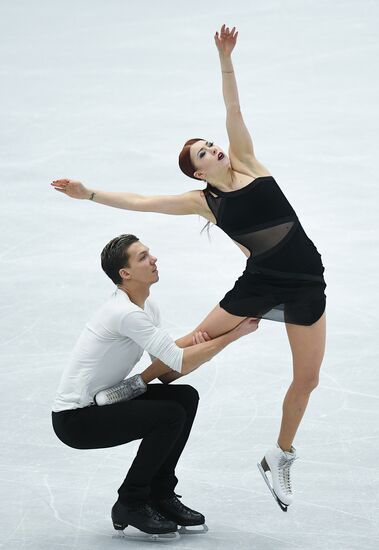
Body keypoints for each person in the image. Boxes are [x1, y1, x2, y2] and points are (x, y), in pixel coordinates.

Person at [51, 24, 327, 512]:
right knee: (195, 344)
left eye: (210, 144)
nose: (214, 149)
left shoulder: (248, 162)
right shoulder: (204, 202)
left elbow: (233, 109)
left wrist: (225, 58)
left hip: (308, 283)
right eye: (204, 153)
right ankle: (134, 387)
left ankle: (279, 455)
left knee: (307, 379)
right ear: (199, 172)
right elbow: (141, 201)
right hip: (261, 281)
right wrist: (88, 193)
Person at [51, 233, 259, 541]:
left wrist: (199, 341)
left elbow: (169, 373)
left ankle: (160, 493)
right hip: (76, 419)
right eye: (143, 256)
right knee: (169, 414)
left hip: (105, 403)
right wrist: (232, 335)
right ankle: (131, 502)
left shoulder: (147, 309)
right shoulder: (125, 314)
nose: (154, 259)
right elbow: (178, 362)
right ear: (125, 273)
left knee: (185, 398)